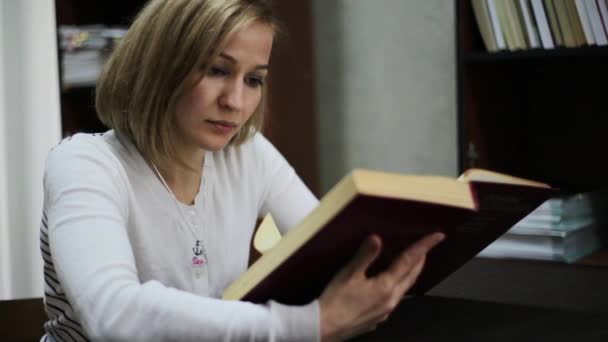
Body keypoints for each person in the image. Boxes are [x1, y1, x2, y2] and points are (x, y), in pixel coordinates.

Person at [39, 0, 445, 341]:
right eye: (217, 70)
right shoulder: (85, 163)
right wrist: (308, 325)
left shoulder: (247, 153)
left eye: (254, 79)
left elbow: (335, 250)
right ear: (160, 67)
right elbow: (113, 313)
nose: (235, 101)